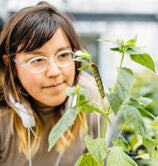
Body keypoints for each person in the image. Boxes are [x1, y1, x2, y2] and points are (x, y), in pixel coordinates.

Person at [0, 1, 102, 166]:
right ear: (10, 65)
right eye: (37, 59)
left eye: (63, 55)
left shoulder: (92, 100)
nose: (54, 71)